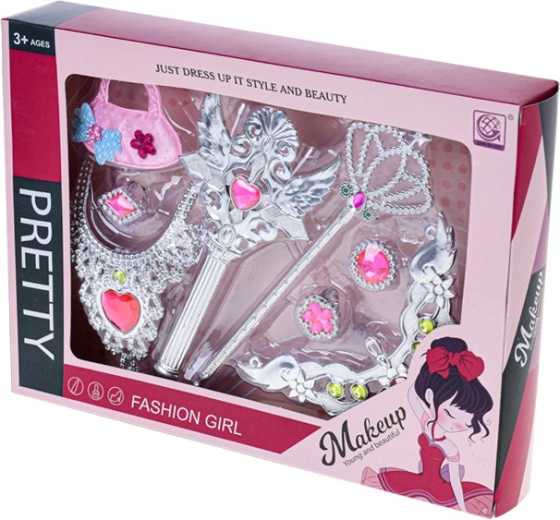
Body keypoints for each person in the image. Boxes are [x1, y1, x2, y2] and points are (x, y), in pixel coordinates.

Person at [362, 337, 494, 516]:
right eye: (451, 415)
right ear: (430, 397)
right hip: (418, 482)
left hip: (438, 490)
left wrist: (462, 508)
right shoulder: (426, 422)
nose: (457, 425)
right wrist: (429, 374)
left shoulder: (450, 447)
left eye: (467, 423)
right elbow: (412, 393)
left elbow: (455, 481)